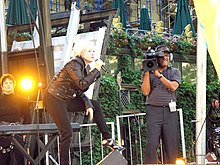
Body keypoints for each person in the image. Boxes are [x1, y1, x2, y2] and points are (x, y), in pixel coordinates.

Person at [44, 41, 122, 165]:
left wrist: (88, 104)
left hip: (65, 98)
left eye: (93, 51)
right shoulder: (74, 64)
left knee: (95, 105)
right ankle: (64, 163)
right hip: (54, 99)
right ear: (81, 53)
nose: (92, 53)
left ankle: (107, 138)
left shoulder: (82, 67)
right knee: (67, 131)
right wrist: (96, 69)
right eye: (89, 51)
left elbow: (78, 89)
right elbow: (82, 85)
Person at [141, 45, 181, 164]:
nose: (165, 57)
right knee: (152, 144)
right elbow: (145, 91)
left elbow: (173, 86)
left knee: (171, 144)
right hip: (153, 111)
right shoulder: (149, 73)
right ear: (156, 58)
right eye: (162, 55)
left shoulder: (174, 71)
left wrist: (158, 75)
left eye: (167, 55)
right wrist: (148, 73)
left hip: (170, 111)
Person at [0, 73, 31, 165]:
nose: (8, 84)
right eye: (6, 83)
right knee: (3, 159)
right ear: (2, 86)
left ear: (14, 85)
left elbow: (27, 116)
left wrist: (25, 132)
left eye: (10, 82)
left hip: (17, 130)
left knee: (19, 158)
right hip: (2, 131)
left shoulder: (21, 99)